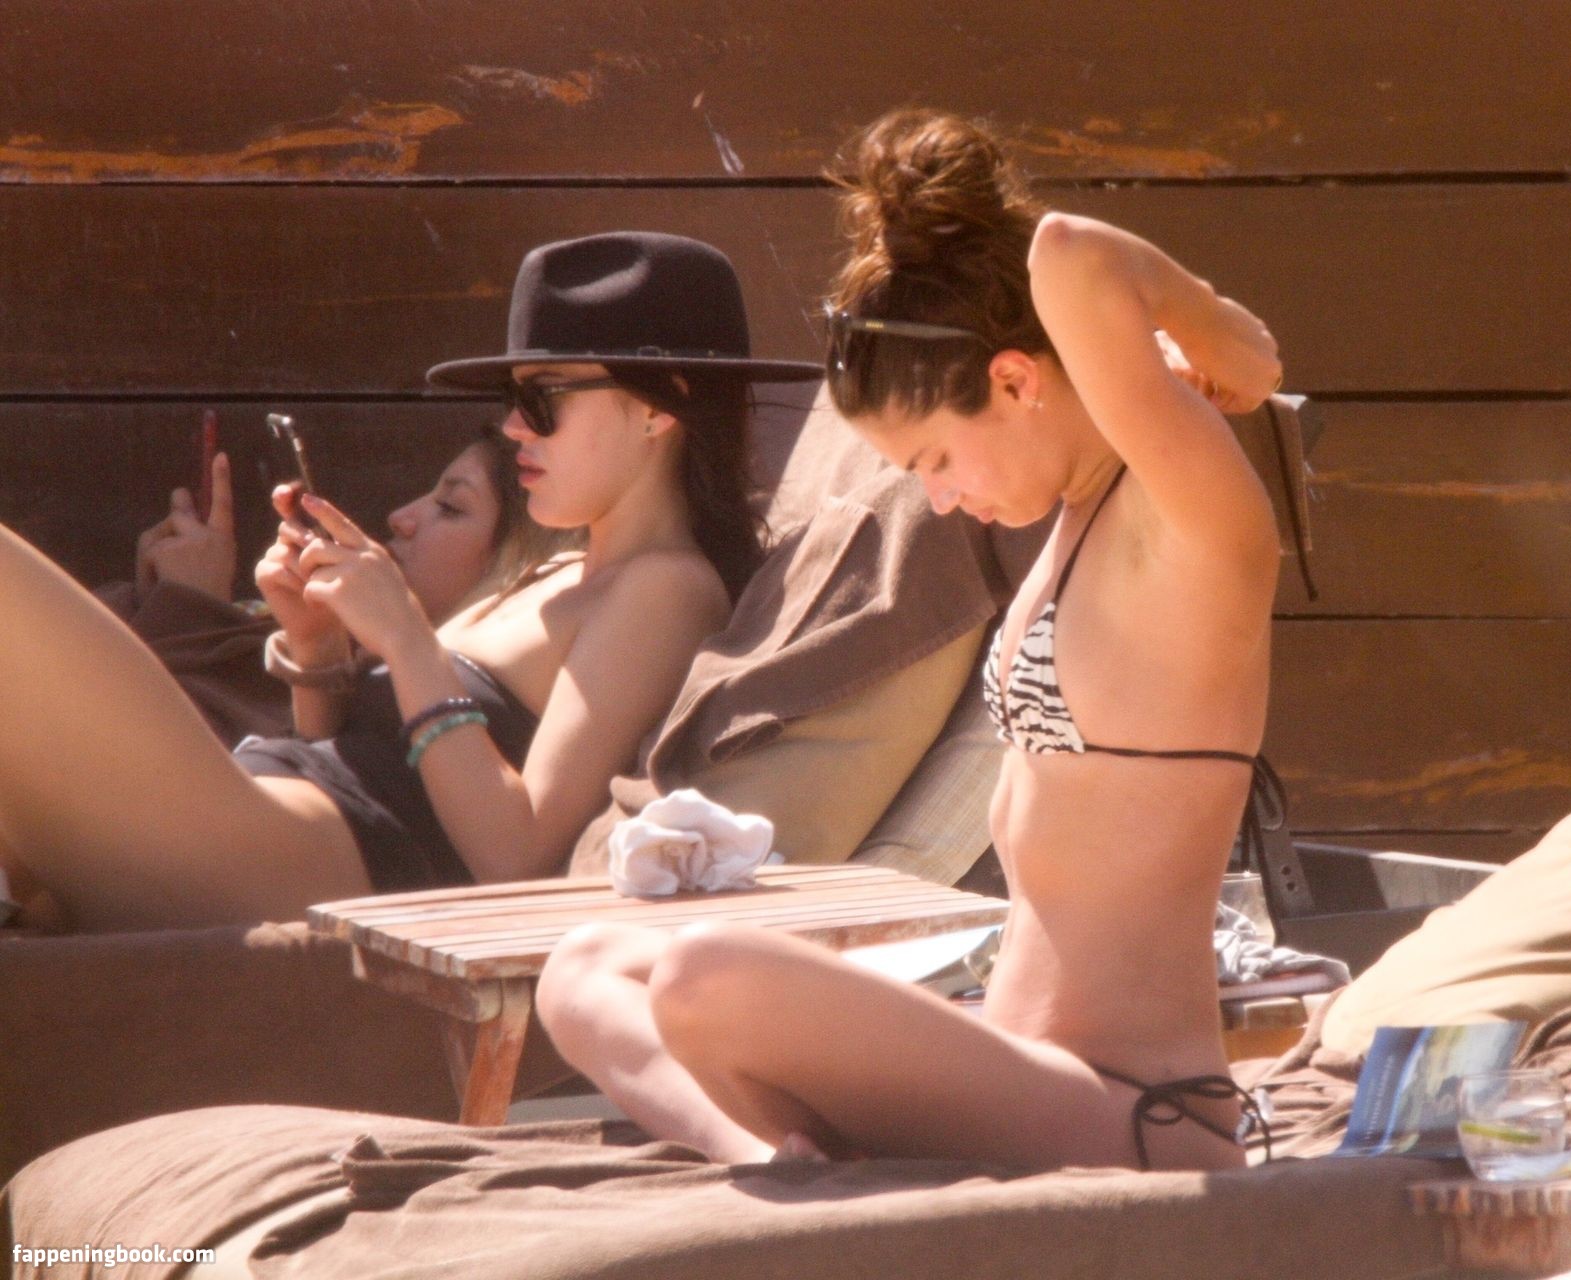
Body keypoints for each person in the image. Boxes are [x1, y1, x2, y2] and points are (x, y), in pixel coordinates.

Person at [535, 111, 1286, 1172]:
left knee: (706, 974)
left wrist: (1220, 336)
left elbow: (1069, 251)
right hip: (1006, 1066)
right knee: (582, 970)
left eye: (935, 457)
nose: (937, 498)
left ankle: (792, 1159)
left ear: (1016, 383)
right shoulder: (1072, 525)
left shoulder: (1191, 527)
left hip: (1132, 1110)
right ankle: (776, 1157)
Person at [0, 231, 820, 934]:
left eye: (545, 399)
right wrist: (319, 648)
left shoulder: (667, 587)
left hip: (280, 855)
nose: (514, 427)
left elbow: (515, 855)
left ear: (659, 406)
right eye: (513, 399)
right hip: (269, 823)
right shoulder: (555, 572)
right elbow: (362, 750)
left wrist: (404, 634)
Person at [104, 427, 582, 747]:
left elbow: (194, 762)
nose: (400, 518)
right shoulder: (345, 648)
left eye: (450, 507)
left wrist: (192, 610)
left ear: (521, 560)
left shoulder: (463, 706)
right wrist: (314, 643)